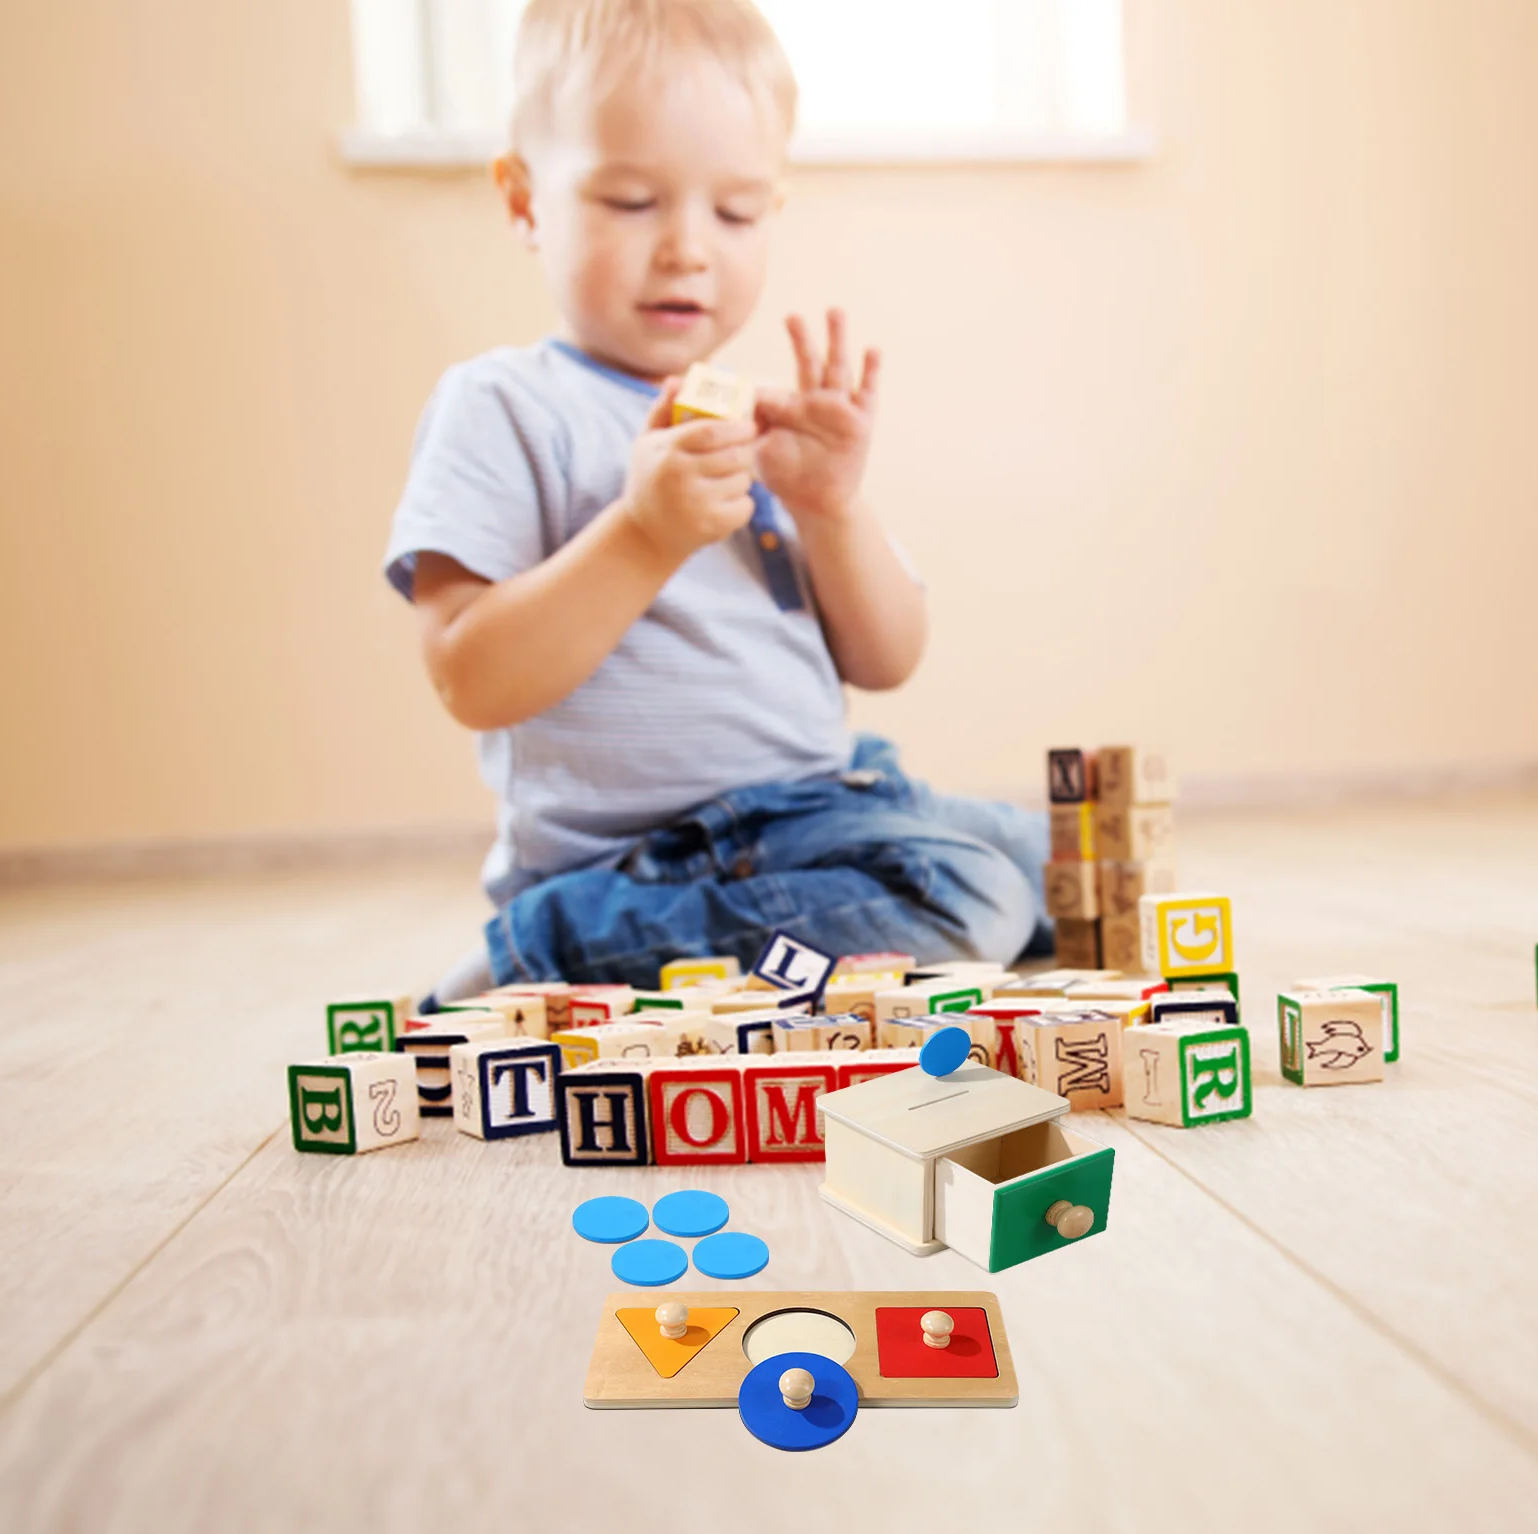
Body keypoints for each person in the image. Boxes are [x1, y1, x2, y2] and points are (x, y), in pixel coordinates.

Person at [384, 0, 1049, 1002]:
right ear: (524, 200)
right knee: (969, 896)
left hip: (812, 805)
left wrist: (829, 508)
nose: (689, 247)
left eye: (734, 213)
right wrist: (642, 534)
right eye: (629, 201)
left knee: (1047, 853)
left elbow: (889, 655)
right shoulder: (505, 404)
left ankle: (773, 931)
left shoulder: (759, 423)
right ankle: (552, 946)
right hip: (653, 854)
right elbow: (468, 677)